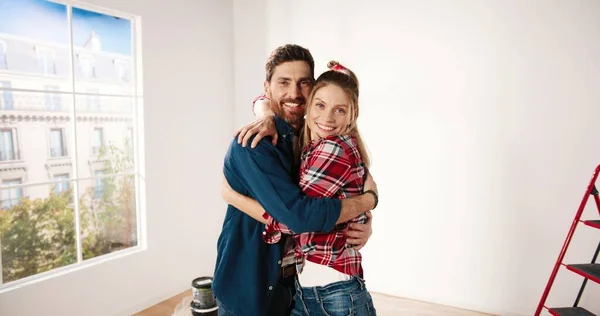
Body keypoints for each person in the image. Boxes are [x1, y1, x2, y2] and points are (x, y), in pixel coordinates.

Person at [213, 44, 378, 316]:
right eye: (283, 83)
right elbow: (297, 217)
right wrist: (365, 202)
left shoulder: (312, 137)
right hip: (249, 287)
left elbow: (350, 180)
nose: (294, 93)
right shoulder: (253, 145)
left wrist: (365, 210)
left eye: (303, 83)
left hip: (296, 285)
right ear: (267, 87)